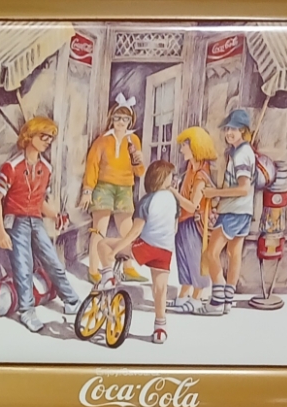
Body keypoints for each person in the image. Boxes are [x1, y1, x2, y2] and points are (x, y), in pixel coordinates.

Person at [0, 116, 82, 334]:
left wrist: (56, 215)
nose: (48, 141)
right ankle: (27, 311)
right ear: (29, 136)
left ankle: (72, 301)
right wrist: (1, 232)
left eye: (50, 137)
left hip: (36, 220)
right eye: (43, 136)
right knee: (23, 267)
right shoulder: (11, 167)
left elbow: (39, 202)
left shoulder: (46, 168)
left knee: (53, 262)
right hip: (16, 221)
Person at [87, 160, 190, 345]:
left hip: (146, 247)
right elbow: (173, 228)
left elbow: (134, 232)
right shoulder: (174, 201)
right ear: (162, 178)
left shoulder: (147, 201)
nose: (173, 179)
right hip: (165, 250)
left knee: (103, 244)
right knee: (160, 289)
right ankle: (160, 328)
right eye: (171, 176)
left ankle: (108, 276)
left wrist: (115, 250)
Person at [200, 108, 259, 316]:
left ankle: (217, 301)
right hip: (243, 212)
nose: (229, 133)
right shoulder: (242, 151)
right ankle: (227, 300)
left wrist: (215, 193)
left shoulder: (241, 154)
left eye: (234, 129)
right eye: (227, 129)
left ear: (243, 131)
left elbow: (243, 189)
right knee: (234, 255)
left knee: (211, 253)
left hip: (234, 212)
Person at [78, 104, 147, 282]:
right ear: (112, 119)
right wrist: (88, 190)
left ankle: (128, 268)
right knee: (99, 229)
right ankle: (94, 271)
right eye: (117, 118)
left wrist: (139, 161)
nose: (121, 122)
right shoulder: (103, 140)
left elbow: (139, 172)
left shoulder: (133, 140)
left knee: (127, 230)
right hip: (103, 187)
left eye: (125, 119)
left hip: (125, 188)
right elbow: (92, 165)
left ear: (130, 121)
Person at [168, 126, 218, 314]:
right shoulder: (190, 168)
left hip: (194, 223)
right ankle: (183, 296)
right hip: (184, 220)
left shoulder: (201, 175)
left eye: (185, 145)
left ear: (195, 147)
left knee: (195, 259)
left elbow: (192, 206)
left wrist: (173, 192)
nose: (181, 149)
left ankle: (196, 298)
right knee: (183, 259)